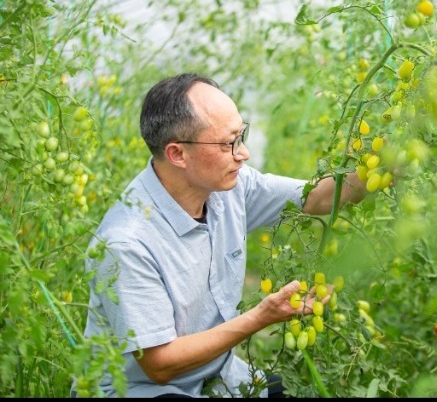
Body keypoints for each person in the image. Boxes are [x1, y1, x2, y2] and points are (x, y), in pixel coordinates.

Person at [74, 73, 367, 398]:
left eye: (242, 136)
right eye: (229, 143)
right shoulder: (127, 242)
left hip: (218, 376)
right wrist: (260, 317)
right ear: (178, 154)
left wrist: (381, 166)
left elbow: (319, 197)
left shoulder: (230, 187)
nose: (244, 154)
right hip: (140, 389)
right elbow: (159, 365)